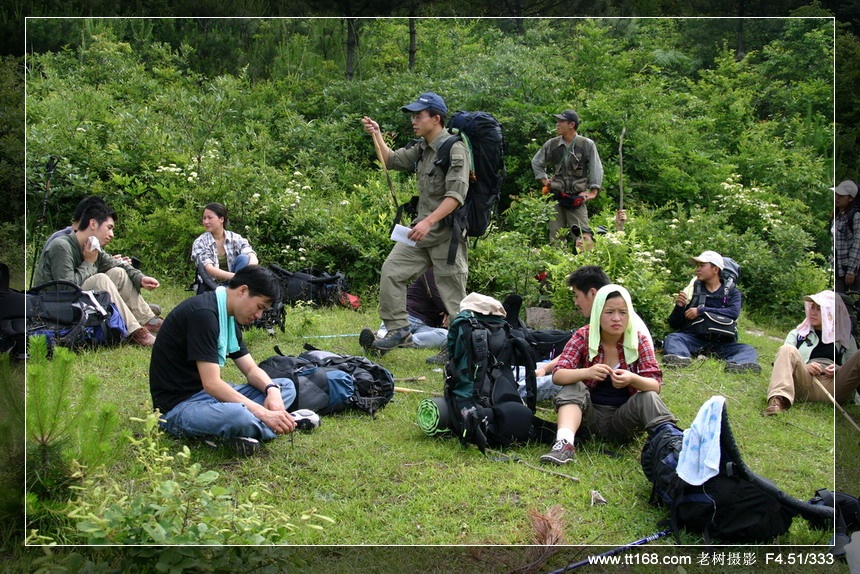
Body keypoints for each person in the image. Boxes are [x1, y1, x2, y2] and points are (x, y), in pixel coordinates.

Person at [149, 266, 316, 456]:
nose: (259, 316)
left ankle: (249, 431)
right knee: (239, 416)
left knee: (285, 386)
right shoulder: (203, 314)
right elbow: (212, 384)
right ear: (243, 290)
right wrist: (263, 413)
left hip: (210, 399)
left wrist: (272, 391)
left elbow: (251, 370)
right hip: (180, 407)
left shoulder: (226, 316)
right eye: (260, 307)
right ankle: (270, 425)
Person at [361, 92, 470, 351]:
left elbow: (456, 195)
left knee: (452, 296)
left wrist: (429, 222)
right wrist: (377, 134)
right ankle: (399, 331)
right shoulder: (422, 148)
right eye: (413, 116)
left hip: (445, 234)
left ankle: (460, 351)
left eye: (419, 116)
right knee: (392, 271)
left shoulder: (454, 149)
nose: (414, 120)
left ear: (436, 118)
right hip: (420, 231)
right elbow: (390, 160)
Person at [540, 285, 677, 465]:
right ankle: (564, 444)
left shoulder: (638, 340)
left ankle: (673, 447)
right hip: (587, 418)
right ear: (597, 312)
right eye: (609, 312)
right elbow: (558, 375)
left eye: (623, 312)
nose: (616, 318)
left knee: (648, 396)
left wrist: (632, 379)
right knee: (574, 384)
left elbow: (655, 384)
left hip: (623, 422)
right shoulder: (584, 336)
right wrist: (586, 372)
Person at [33, 201, 162, 347]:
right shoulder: (61, 246)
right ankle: (135, 332)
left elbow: (118, 264)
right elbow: (66, 288)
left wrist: (141, 278)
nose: (111, 234)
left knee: (118, 273)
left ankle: (147, 320)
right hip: (53, 304)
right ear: (93, 224)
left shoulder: (92, 247)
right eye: (109, 228)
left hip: (74, 299)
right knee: (101, 279)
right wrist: (88, 263)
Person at [662, 250, 761, 373]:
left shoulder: (733, 293)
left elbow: (733, 313)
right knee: (673, 338)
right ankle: (680, 358)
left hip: (722, 343)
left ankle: (738, 365)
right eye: (697, 266)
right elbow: (675, 324)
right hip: (694, 339)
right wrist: (680, 307)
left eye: (702, 266)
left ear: (716, 269)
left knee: (747, 349)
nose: (697, 269)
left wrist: (701, 310)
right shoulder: (693, 289)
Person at [764, 290, 859, 415]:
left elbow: (852, 369)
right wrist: (805, 366)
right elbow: (782, 361)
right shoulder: (797, 334)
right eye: (812, 307)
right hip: (805, 382)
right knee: (787, 349)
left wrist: (839, 369)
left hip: (834, 387)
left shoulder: (846, 338)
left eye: (819, 309)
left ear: (831, 312)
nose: (813, 312)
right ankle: (777, 401)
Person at [531, 109, 603, 241]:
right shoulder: (552, 144)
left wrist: (593, 191)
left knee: (583, 237)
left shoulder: (586, 144)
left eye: (561, 121)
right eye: (557, 121)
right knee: (556, 238)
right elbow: (536, 161)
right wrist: (544, 180)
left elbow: (596, 167)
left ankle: (583, 261)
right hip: (556, 197)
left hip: (577, 198)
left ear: (571, 124)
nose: (557, 124)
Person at [359, 268, 448, 353]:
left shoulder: (456, 283)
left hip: (426, 326)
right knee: (387, 332)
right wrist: (448, 310)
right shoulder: (431, 270)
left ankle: (398, 342)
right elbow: (436, 293)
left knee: (447, 336)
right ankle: (377, 341)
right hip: (406, 315)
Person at [191, 202, 259, 284]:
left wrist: (251, 266)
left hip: (234, 282)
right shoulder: (200, 242)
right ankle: (239, 288)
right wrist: (238, 277)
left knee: (244, 258)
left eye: (209, 218)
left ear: (221, 219)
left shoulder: (234, 237)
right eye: (204, 218)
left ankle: (239, 288)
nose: (206, 222)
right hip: (211, 285)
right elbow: (209, 269)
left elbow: (250, 253)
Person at [833, 180, 860, 293]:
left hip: (853, 272)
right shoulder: (837, 217)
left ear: (850, 198)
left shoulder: (855, 216)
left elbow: (857, 244)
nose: (837, 198)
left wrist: (850, 270)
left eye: (841, 196)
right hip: (839, 270)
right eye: (836, 194)